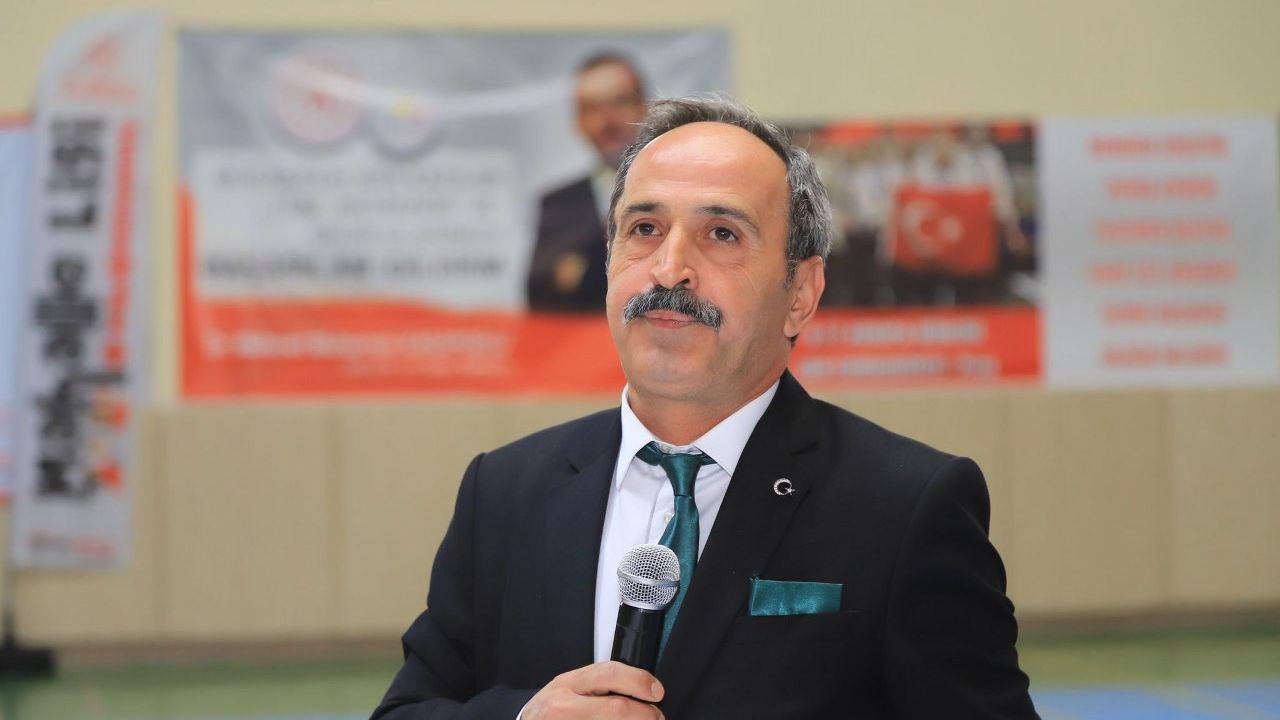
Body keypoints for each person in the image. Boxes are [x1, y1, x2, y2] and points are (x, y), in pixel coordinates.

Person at [373, 96, 1039, 719]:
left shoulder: (905, 505)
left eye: (721, 233)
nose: (669, 269)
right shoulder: (505, 491)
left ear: (801, 293)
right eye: (644, 228)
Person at [526, 53, 647, 312]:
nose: (608, 120)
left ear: (644, 108)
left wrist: (580, 268)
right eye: (593, 108)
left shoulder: (679, 190)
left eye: (620, 102)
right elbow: (540, 295)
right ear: (578, 122)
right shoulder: (558, 205)